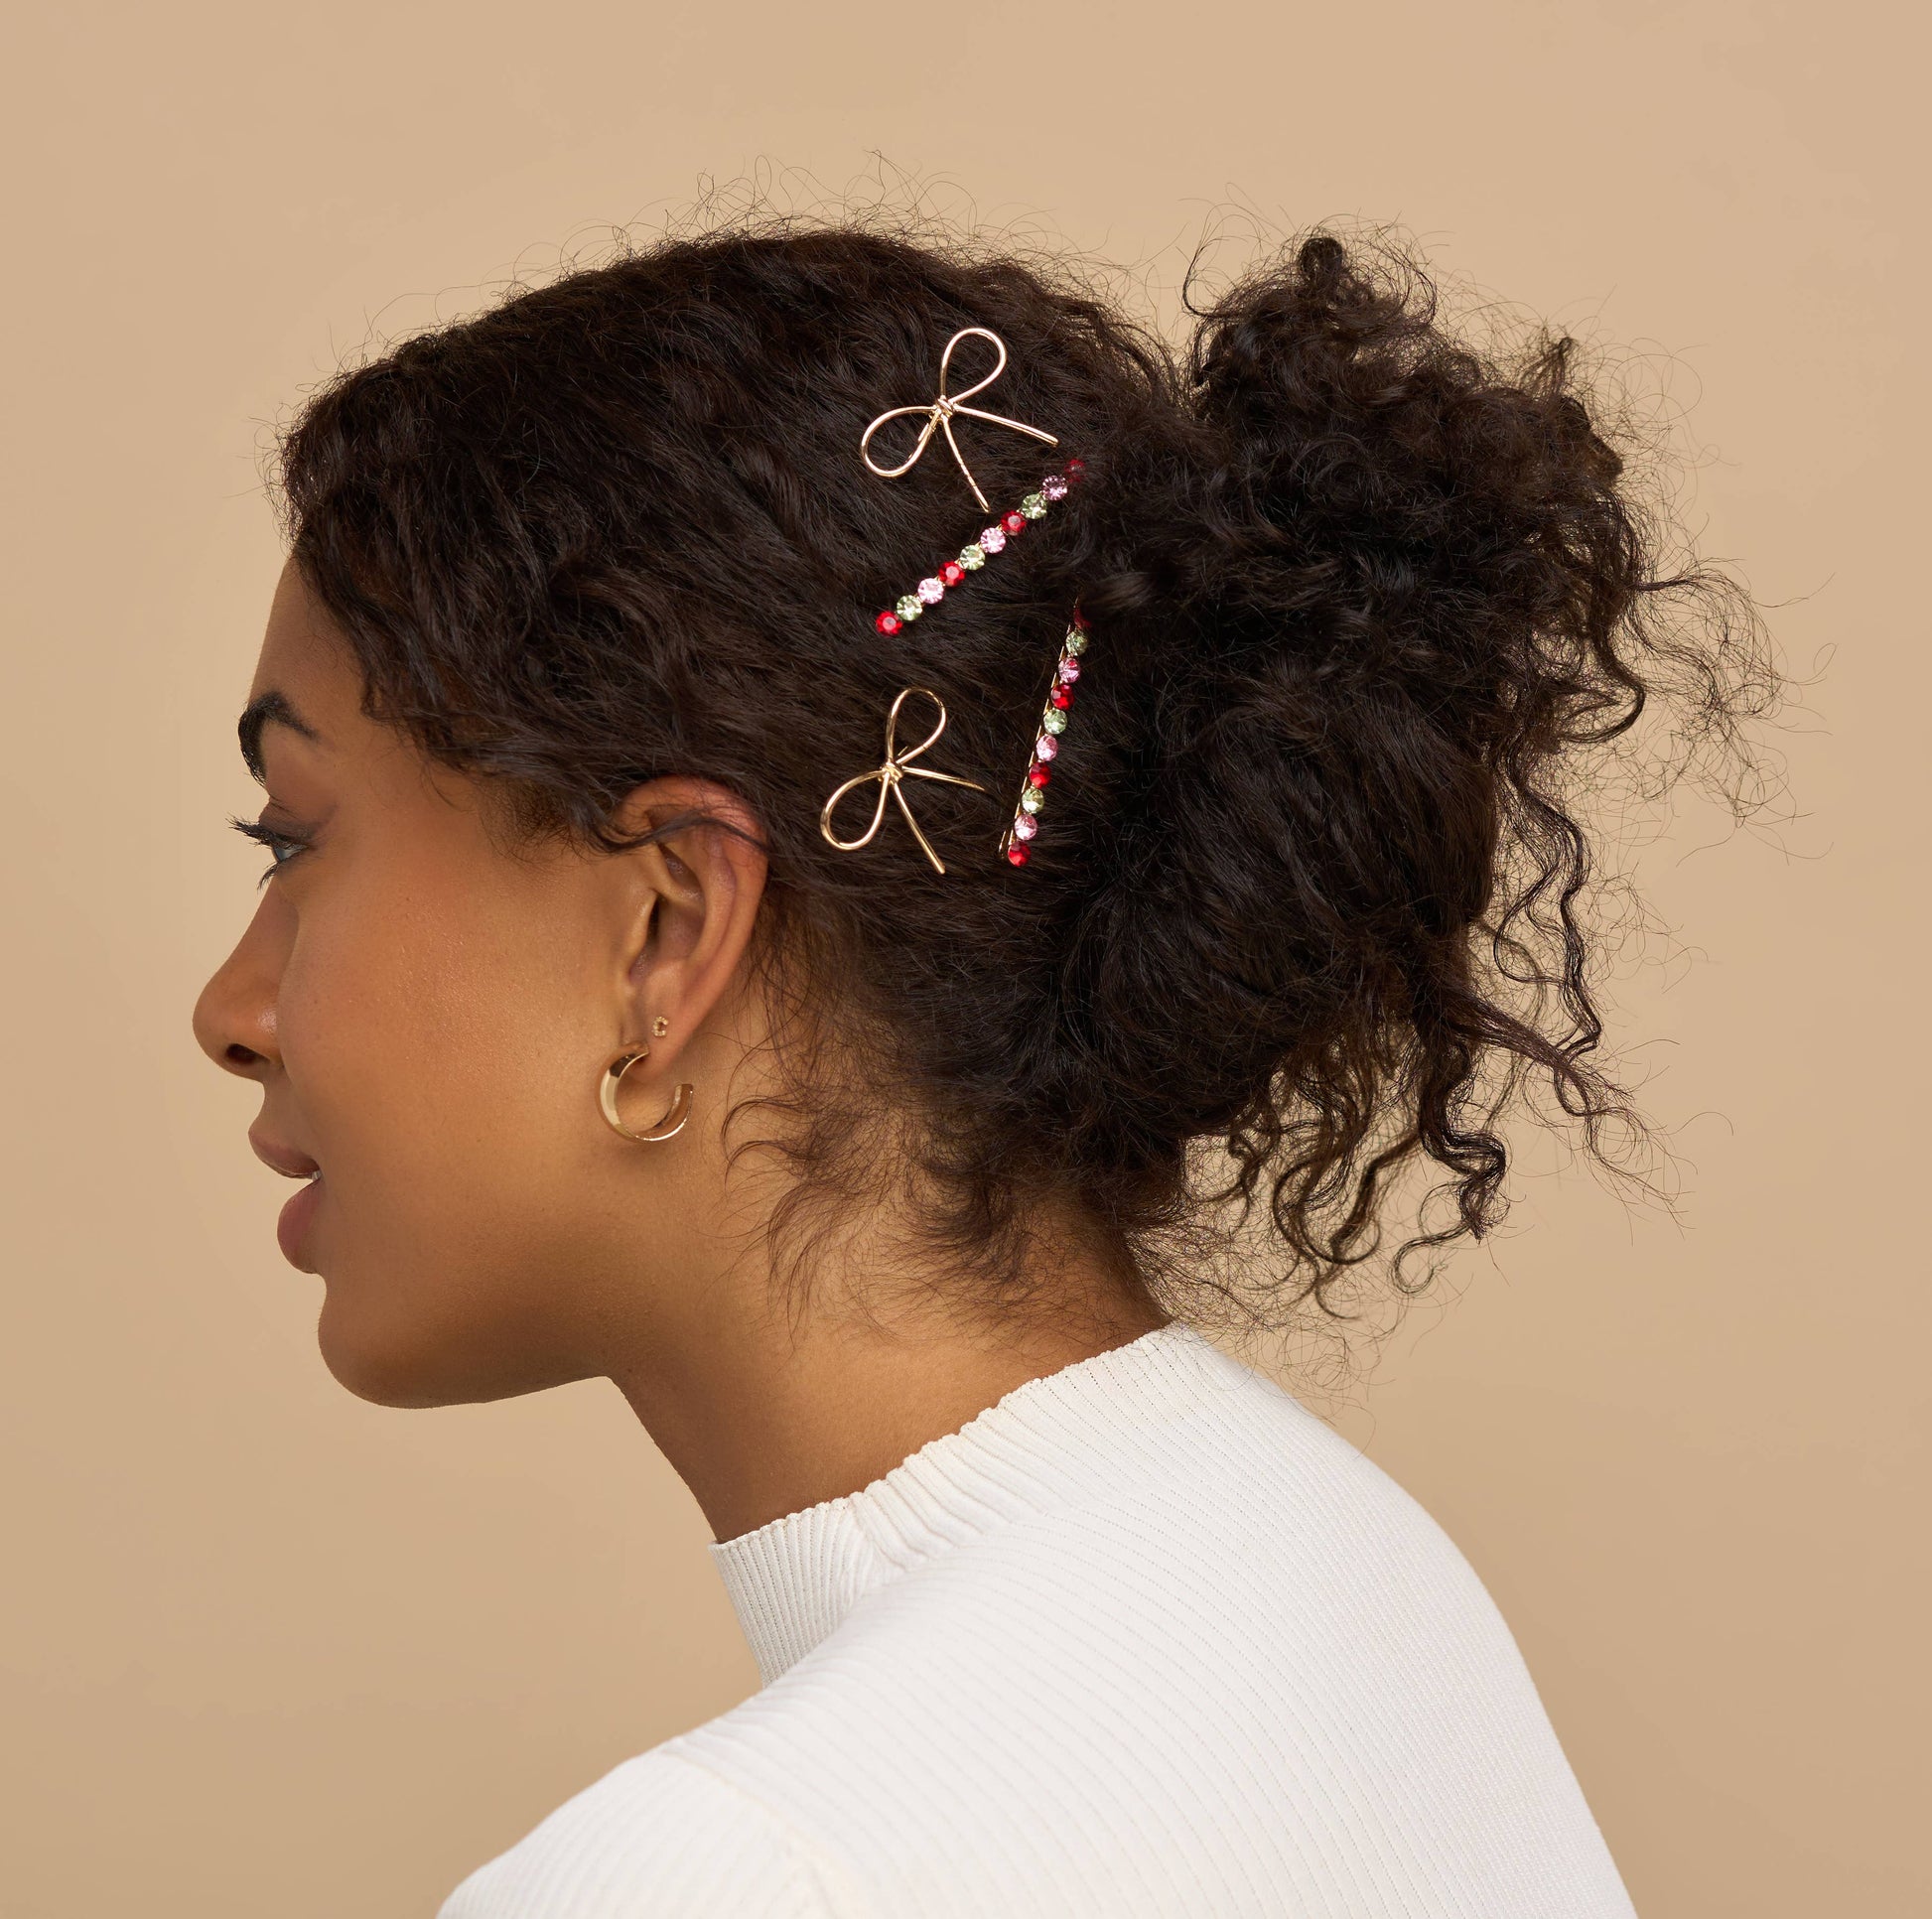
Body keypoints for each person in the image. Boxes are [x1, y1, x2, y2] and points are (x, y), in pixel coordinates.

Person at [193, 218, 1759, 1914]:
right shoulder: (1340, 1561)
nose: (231, 1009)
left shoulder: (733, 1875)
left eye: (294, 840)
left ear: (664, 932)